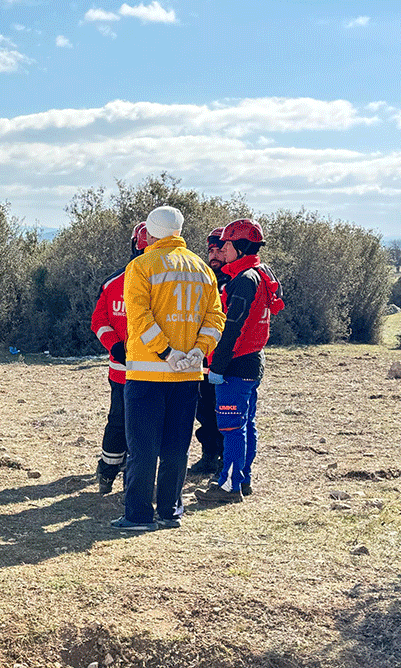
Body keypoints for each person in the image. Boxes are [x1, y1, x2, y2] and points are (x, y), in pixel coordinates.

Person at [112, 206, 225, 531]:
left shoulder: (141, 266)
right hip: (188, 374)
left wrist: (166, 352)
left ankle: (138, 516)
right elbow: (216, 318)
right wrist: (197, 352)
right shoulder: (203, 270)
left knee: (143, 449)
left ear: (148, 233)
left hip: (147, 373)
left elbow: (139, 317)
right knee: (177, 447)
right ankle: (170, 512)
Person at [195, 219, 285, 503]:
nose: (223, 250)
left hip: (236, 363)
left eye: (228, 245)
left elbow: (232, 328)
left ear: (240, 247)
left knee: (232, 428)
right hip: (252, 360)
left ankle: (229, 487)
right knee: (245, 425)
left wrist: (217, 366)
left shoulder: (244, 280)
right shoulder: (260, 273)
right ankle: (242, 479)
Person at [88, 222, 151, 494]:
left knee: (146, 427)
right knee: (119, 421)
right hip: (123, 372)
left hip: (157, 373)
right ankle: (108, 470)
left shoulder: (169, 282)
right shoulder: (114, 283)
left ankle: (135, 475)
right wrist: (114, 346)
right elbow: (99, 320)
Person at [188, 227, 228, 476]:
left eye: (219, 250)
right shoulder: (204, 279)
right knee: (204, 410)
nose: (214, 255)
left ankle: (226, 457)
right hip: (203, 358)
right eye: (210, 250)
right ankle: (209, 455)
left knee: (225, 411)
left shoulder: (236, 282)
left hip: (225, 360)